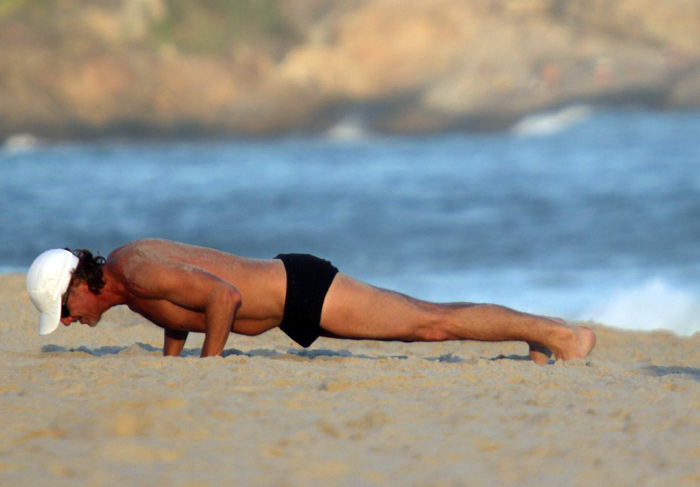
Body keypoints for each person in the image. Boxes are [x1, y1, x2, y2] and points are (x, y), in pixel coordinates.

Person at [26, 238, 595, 364]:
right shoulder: (129, 289)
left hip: (303, 291)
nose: (72, 321)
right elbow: (184, 312)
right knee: (425, 321)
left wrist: (209, 369)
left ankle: (559, 334)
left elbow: (222, 296)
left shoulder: (135, 267)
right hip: (290, 305)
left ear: (79, 285)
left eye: (67, 310)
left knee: (429, 323)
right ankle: (538, 334)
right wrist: (173, 363)